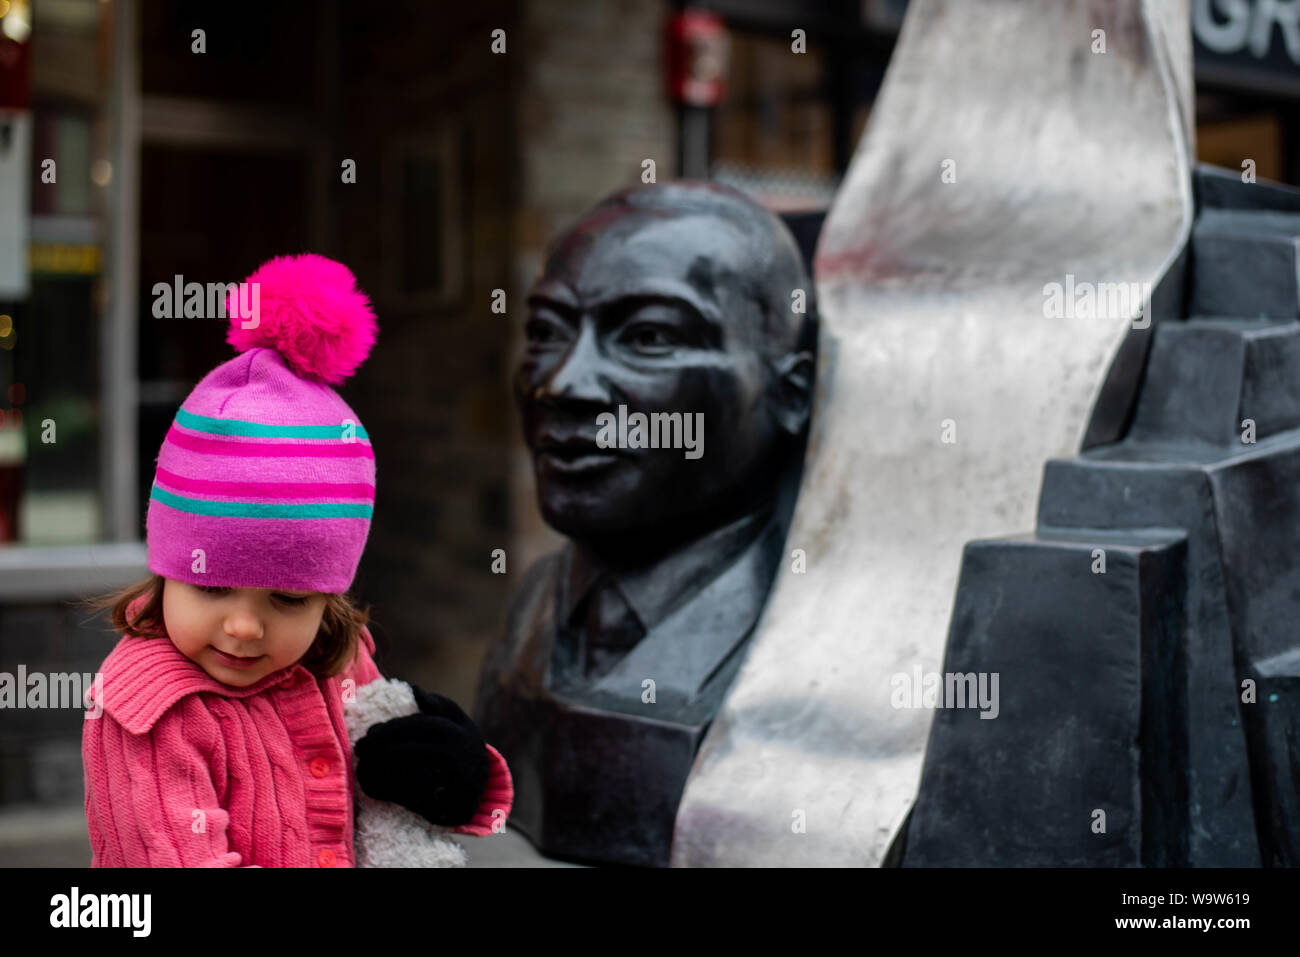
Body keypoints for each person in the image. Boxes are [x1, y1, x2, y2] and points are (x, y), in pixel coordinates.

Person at [82, 253, 511, 867]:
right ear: (169, 569)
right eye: (212, 590)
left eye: (287, 599)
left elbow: (394, 808)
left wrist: (458, 781)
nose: (244, 626)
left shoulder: (335, 658)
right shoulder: (150, 712)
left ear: (326, 598)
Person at [476, 181, 816, 866]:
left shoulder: (818, 647)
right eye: (547, 332)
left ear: (789, 393)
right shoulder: (535, 607)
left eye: (649, 336)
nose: (563, 383)